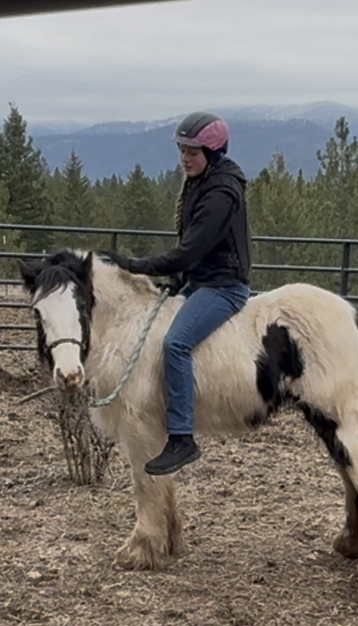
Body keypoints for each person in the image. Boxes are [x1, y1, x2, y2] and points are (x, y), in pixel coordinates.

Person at [114, 111, 253, 476]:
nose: (184, 158)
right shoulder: (201, 181)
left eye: (192, 151)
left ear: (214, 152)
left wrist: (136, 265)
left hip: (224, 287)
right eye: (182, 150)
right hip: (203, 280)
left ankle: (181, 436)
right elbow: (195, 253)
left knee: (175, 344)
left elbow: (189, 250)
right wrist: (179, 280)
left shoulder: (221, 193)